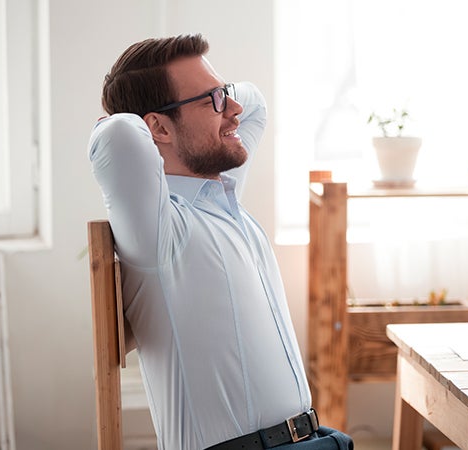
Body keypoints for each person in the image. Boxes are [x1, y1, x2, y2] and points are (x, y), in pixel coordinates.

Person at [88, 34, 353, 450]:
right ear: (156, 127)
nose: (235, 109)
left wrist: (212, 97)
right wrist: (126, 113)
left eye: (224, 92)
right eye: (212, 99)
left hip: (315, 439)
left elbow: (256, 103)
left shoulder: (223, 201)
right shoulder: (161, 233)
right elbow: (118, 136)